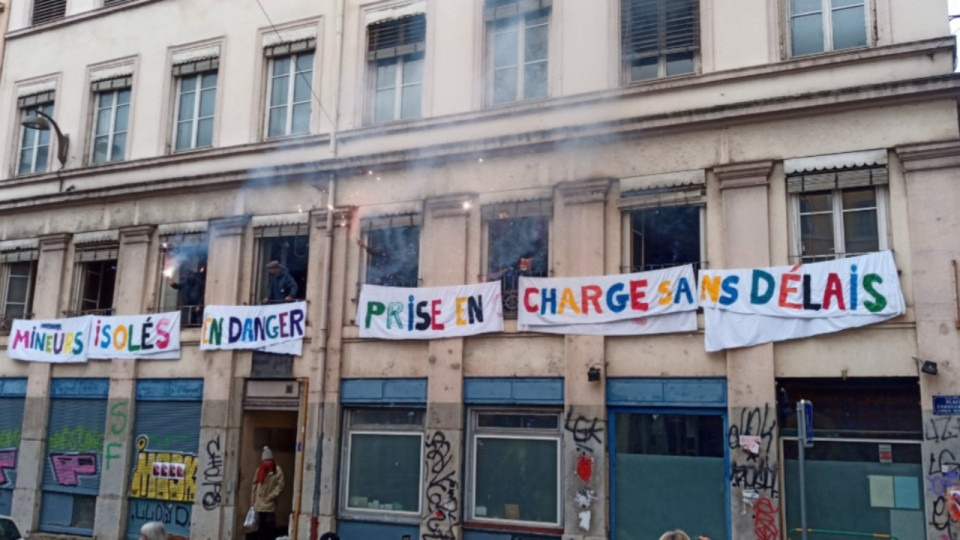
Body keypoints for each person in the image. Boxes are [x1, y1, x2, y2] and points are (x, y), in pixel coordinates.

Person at [247, 446, 285, 540]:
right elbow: (254, 485)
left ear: (271, 460)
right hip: (259, 502)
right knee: (261, 525)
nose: (266, 462)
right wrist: (252, 500)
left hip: (269, 502)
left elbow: (281, 485)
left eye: (268, 460)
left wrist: (271, 496)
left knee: (270, 524)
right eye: (264, 460)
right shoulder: (259, 471)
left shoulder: (277, 470)